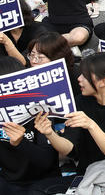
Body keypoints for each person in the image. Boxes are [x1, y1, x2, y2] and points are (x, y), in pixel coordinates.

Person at [31, 52, 105, 194]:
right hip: (87, 173)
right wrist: (50, 133)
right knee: (37, 189)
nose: (79, 79)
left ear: (103, 81)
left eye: (85, 76)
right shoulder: (80, 102)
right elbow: (69, 149)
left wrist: (91, 125)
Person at [0, 56, 60, 194]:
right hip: (9, 180)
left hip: (43, 181)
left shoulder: (42, 109)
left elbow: (46, 162)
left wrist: (21, 142)